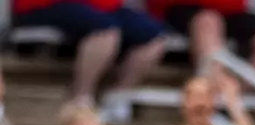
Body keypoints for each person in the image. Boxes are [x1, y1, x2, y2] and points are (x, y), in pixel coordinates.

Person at [10, 0, 169, 108]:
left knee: (154, 36)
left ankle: (119, 96)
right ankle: (81, 97)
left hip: (102, 7)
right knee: (105, 31)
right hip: (45, 4)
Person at [153, 0, 255, 75]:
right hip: (180, 8)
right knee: (209, 21)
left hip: (229, 10)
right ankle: (210, 94)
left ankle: (236, 96)